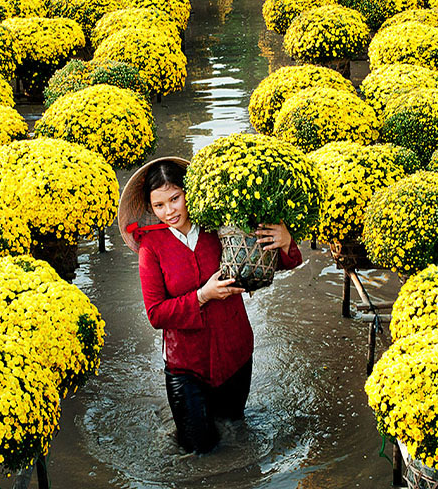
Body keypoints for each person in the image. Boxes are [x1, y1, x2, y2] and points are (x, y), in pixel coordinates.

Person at [118, 157, 303, 454]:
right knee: (198, 450)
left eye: (175, 198)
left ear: (189, 193)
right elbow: (155, 314)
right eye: (159, 205)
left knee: (234, 432)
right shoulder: (151, 247)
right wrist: (202, 296)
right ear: (150, 208)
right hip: (185, 365)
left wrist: (285, 241)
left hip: (235, 354)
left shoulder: (219, 227)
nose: (169, 211)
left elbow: (267, 265)